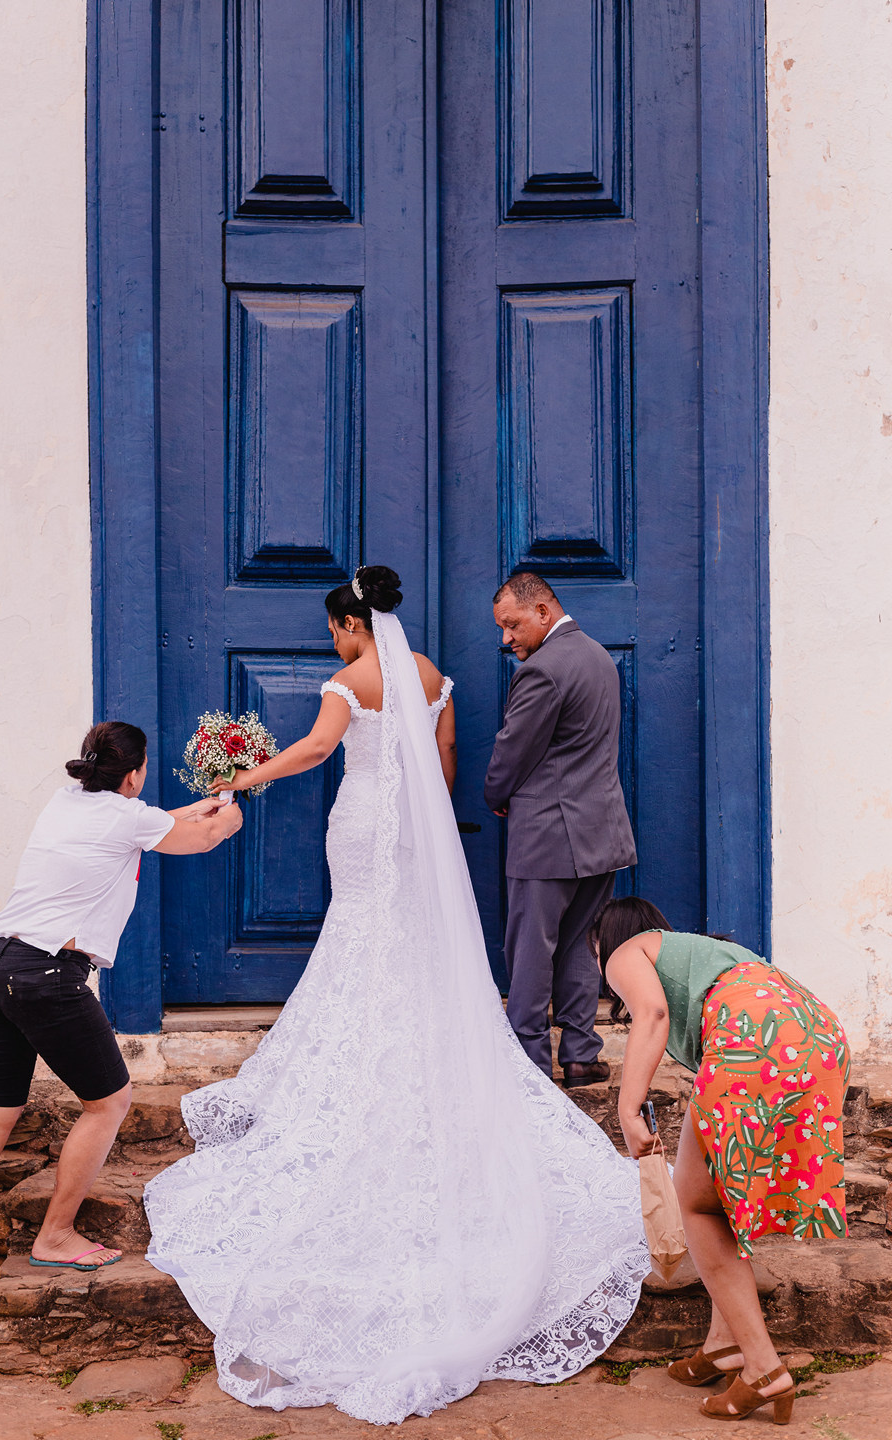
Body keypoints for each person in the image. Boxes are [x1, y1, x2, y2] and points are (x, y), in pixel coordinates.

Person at [144, 566, 648, 1426]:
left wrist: (244, 774)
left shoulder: (350, 679)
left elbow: (313, 750)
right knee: (412, 940)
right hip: (417, 832)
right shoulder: (432, 677)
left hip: (362, 826)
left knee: (360, 937)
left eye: (335, 630)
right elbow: (445, 761)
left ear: (350, 623)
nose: (333, 645)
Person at [0, 722, 242, 1316]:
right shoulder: (129, 818)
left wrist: (191, 807)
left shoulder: (66, 799)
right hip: (46, 974)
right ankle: (55, 1238)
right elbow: (199, 840)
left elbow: (147, 824)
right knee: (109, 1102)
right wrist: (230, 803)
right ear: (134, 774)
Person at [592, 896, 852, 1426]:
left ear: (606, 939)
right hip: (816, 1036)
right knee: (714, 1197)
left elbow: (654, 1012)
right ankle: (722, 1347)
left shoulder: (624, 952)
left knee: (698, 1206)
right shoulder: (705, 954)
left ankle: (762, 1369)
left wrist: (626, 1106)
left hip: (751, 1041)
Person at [484, 572, 636, 1087]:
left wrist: (495, 796)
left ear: (543, 611)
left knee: (529, 947)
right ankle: (580, 1056)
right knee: (577, 943)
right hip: (602, 831)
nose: (507, 638)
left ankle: (528, 1064)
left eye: (513, 625)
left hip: (549, 831)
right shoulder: (598, 655)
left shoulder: (542, 670)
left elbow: (512, 749)